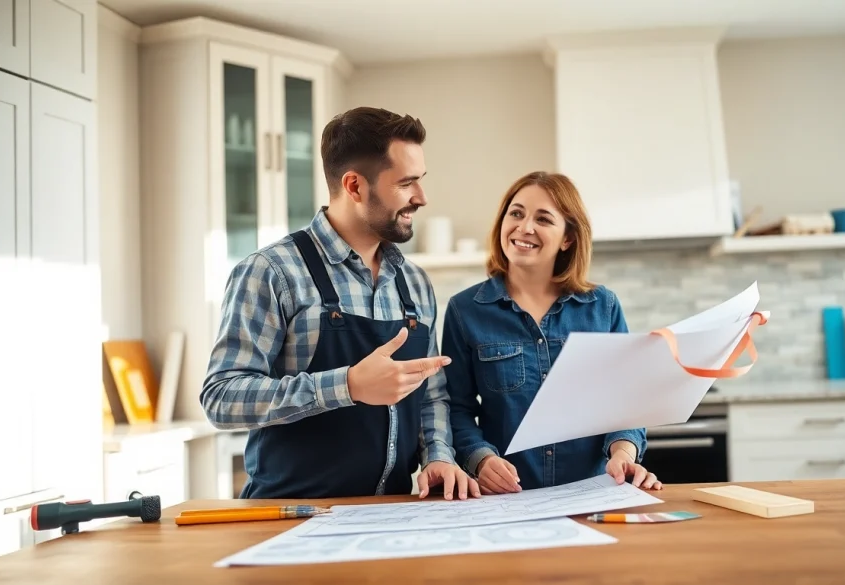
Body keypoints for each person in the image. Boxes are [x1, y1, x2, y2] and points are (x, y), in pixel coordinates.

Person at [201, 106, 480, 501]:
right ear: (354, 186)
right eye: (406, 183)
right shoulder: (271, 272)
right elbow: (222, 398)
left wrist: (438, 455)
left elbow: (431, 392)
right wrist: (347, 385)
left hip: (393, 513)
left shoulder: (414, 282)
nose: (422, 197)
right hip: (291, 517)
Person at [442, 171, 661, 494]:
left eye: (543, 219)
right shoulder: (465, 310)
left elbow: (625, 401)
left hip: (593, 494)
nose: (524, 227)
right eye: (516, 213)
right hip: (508, 500)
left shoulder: (603, 307)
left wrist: (623, 453)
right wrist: (481, 460)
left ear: (568, 238)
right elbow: (456, 409)